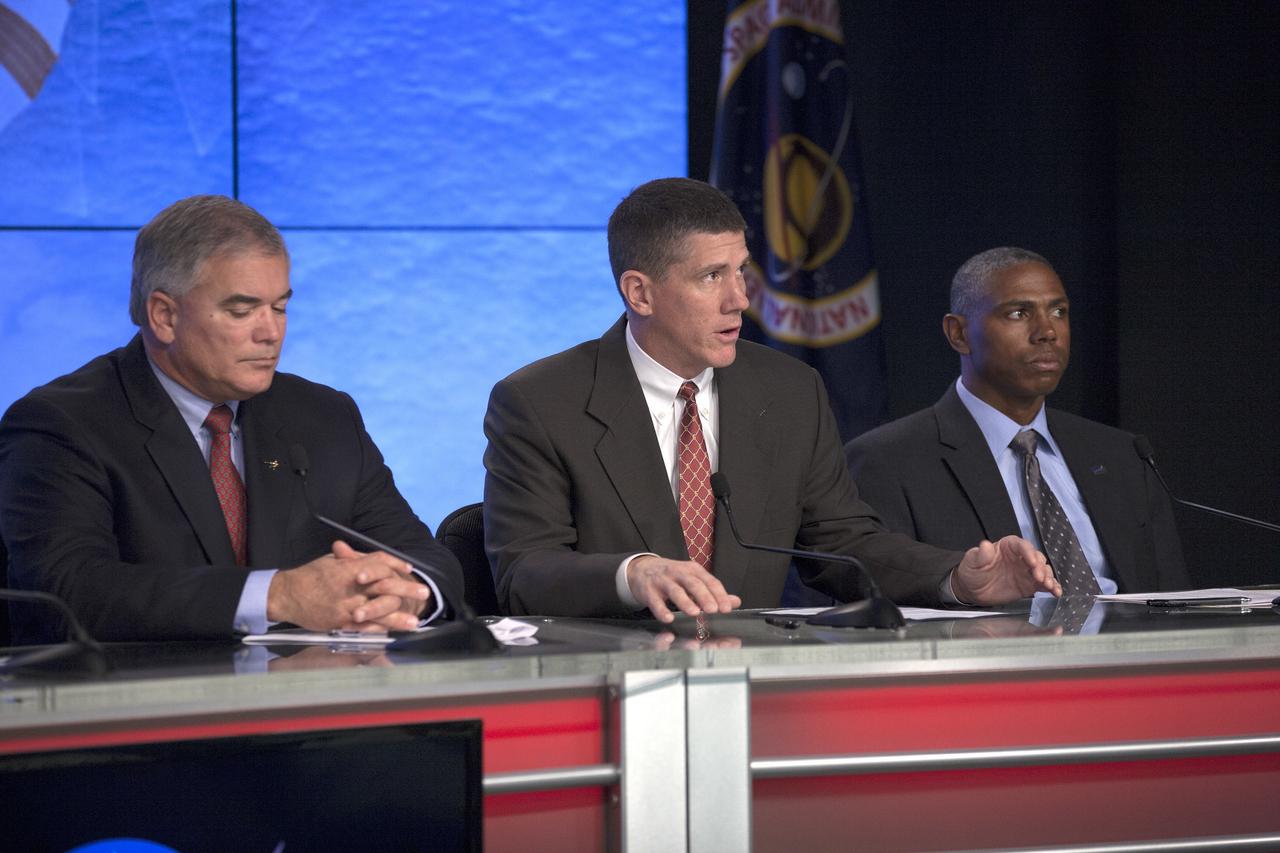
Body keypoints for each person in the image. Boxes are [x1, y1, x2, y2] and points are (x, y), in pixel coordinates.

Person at [482, 178, 1060, 622]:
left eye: (742, 271)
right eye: (712, 277)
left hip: (750, 679)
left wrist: (956, 578)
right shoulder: (539, 402)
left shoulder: (787, 390)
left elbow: (842, 542)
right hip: (606, 684)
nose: (739, 299)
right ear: (641, 292)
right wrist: (634, 574)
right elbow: (524, 570)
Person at [0, 195, 462, 644]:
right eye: (242, 311)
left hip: (308, 701)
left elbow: (426, 561)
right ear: (163, 315)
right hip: (143, 708)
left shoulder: (324, 416)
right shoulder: (62, 425)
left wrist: (401, 598)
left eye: (280, 307)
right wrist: (277, 595)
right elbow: (69, 594)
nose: (271, 332)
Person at [846, 247, 1188, 594]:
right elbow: (873, 595)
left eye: (1058, 311)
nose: (1047, 332)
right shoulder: (888, 461)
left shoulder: (1122, 455)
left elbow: (1175, 604)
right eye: (1019, 313)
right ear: (958, 334)